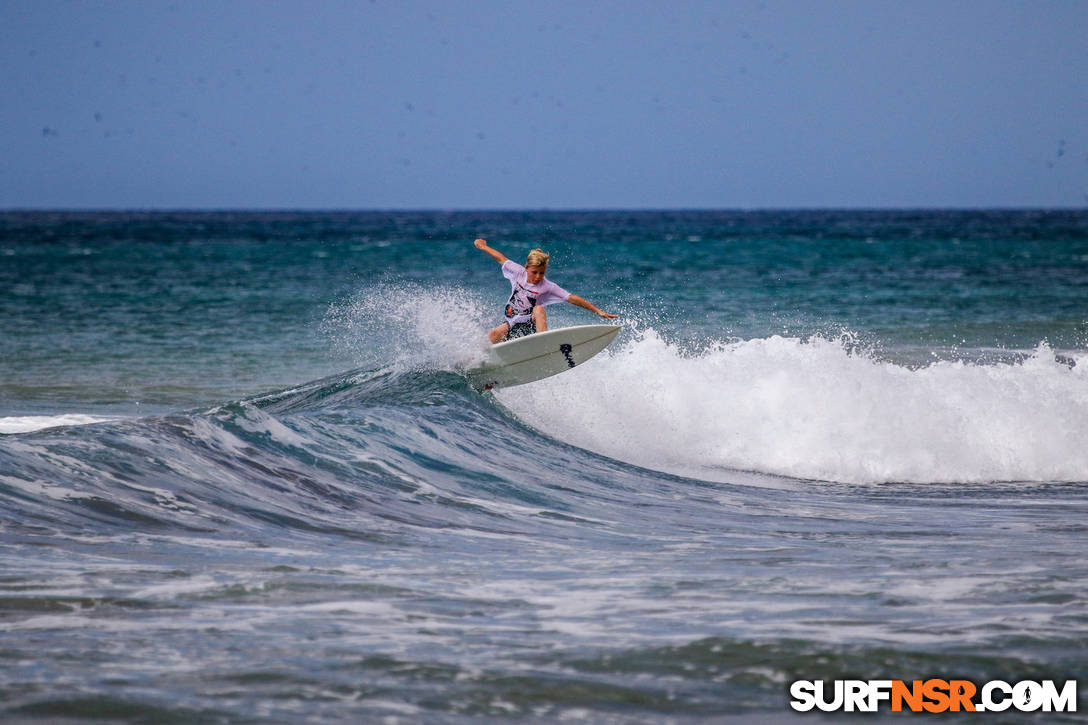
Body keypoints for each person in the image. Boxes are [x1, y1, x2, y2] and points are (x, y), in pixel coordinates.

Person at [474, 238, 617, 344]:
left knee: (539, 308)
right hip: (511, 322)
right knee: (493, 335)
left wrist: (597, 311)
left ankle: (542, 342)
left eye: (541, 273)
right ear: (526, 268)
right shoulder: (518, 272)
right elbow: (501, 258)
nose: (538, 277)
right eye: (534, 272)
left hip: (530, 325)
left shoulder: (548, 286)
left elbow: (572, 298)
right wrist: (483, 247)